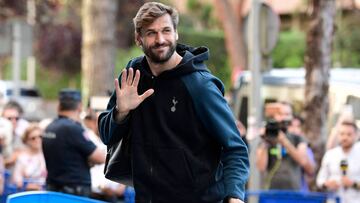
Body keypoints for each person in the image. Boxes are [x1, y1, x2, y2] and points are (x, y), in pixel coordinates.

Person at [98, 2, 249, 203]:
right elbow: (107, 135)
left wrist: (234, 196)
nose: (160, 39)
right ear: (138, 39)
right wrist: (121, 112)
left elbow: (235, 148)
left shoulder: (200, 86)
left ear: (176, 34)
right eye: (151, 33)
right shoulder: (132, 76)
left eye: (166, 31)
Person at [42, 89, 105, 197]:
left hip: (53, 190)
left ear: (59, 106)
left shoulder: (50, 127)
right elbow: (100, 157)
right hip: (73, 192)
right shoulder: (73, 129)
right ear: (80, 106)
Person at [256, 102, 315, 190]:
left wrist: (284, 141)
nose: (283, 117)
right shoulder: (268, 137)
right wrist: (265, 141)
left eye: (287, 114)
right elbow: (261, 167)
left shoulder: (298, 138)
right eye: (280, 114)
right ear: (274, 116)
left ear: (291, 117)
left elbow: (303, 161)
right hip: (271, 194)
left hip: (293, 193)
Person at [316, 121, 360, 203]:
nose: (345, 137)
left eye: (349, 134)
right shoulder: (330, 154)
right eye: (342, 134)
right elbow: (320, 180)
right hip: (334, 200)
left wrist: (353, 184)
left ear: (356, 135)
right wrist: (327, 184)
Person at [12, 124, 47, 191]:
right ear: (26, 140)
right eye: (33, 138)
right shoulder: (22, 158)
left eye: (40, 136)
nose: (38, 140)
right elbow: (16, 180)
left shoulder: (49, 155)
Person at [2, 100, 29, 168]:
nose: (13, 121)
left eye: (16, 118)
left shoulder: (21, 135)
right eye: (9, 118)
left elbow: (13, 159)